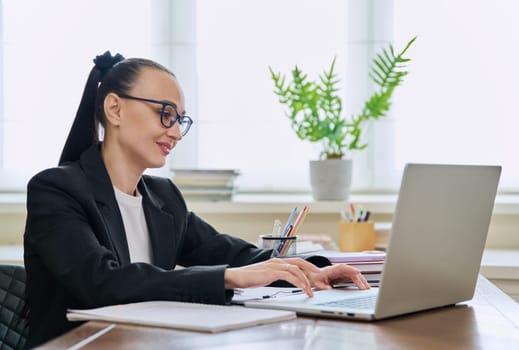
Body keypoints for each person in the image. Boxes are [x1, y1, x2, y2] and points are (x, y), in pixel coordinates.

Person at [23, 51, 369, 348]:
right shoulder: (55, 191)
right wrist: (229, 277)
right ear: (115, 109)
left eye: (180, 120)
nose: (175, 132)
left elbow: (232, 253)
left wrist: (316, 268)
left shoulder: (164, 197)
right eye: (166, 114)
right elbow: (102, 283)